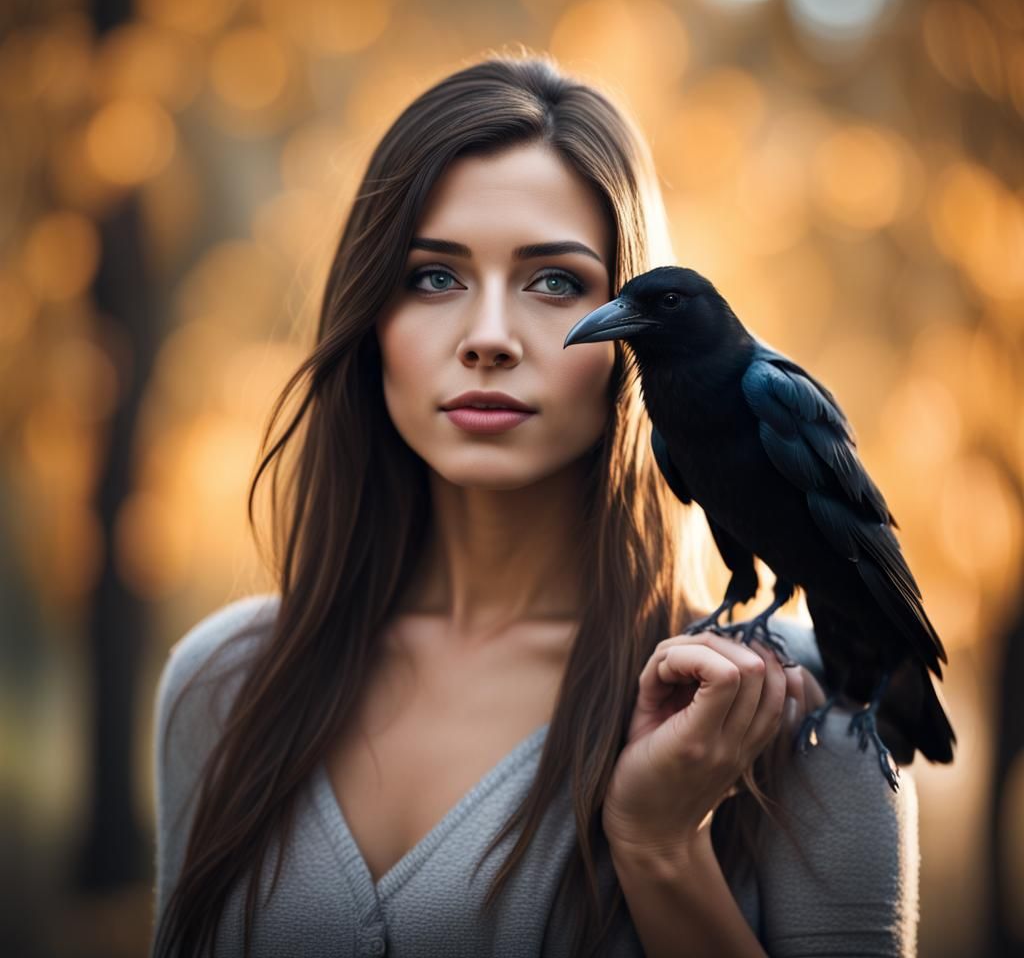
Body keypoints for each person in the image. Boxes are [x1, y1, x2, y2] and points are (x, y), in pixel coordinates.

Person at [150, 49, 919, 958]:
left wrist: (662, 849)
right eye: (434, 277)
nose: (488, 338)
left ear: (626, 332)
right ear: (370, 324)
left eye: (555, 281)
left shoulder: (802, 702)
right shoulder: (224, 683)